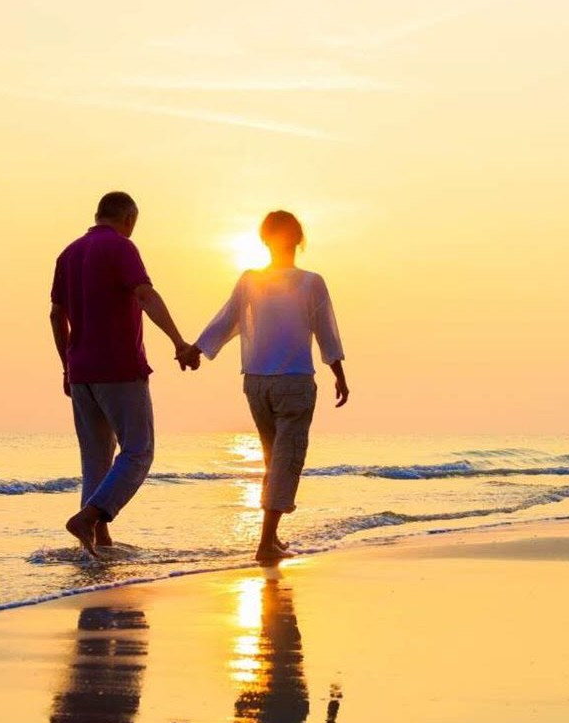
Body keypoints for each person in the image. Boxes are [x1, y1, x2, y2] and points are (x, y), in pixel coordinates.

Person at [187, 210, 348, 562]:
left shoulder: (250, 279)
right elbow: (326, 330)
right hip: (293, 381)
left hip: (256, 382)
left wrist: (197, 349)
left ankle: (271, 539)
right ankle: (265, 542)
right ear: (298, 239)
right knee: (286, 460)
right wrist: (339, 373)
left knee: (272, 459)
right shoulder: (310, 281)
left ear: (264, 239)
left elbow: (226, 319)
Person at [50, 191, 198, 559]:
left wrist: (66, 365)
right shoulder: (121, 247)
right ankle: (89, 518)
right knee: (139, 450)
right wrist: (179, 341)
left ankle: (99, 541)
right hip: (119, 367)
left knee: (96, 458)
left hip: (81, 372)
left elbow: (56, 315)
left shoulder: (68, 253)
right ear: (129, 218)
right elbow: (145, 295)